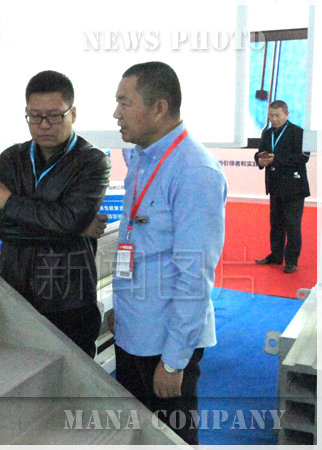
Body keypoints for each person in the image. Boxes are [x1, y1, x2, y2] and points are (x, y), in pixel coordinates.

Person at [106, 61, 227, 445]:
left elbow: (195, 275)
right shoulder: (142, 160)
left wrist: (174, 361)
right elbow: (139, 246)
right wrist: (122, 311)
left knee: (172, 438)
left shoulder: (194, 171)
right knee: (139, 434)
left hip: (165, 344)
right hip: (134, 330)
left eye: (124, 102)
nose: (116, 113)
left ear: (159, 107)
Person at [0, 70, 111, 357]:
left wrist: (9, 202)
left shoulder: (92, 161)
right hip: (15, 289)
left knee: (74, 374)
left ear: (73, 114)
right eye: (35, 117)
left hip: (69, 296)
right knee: (18, 371)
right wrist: (73, 227)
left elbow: (69, 219)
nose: (44, 125)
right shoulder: (12, 158)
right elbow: (4, 228)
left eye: (54, 116)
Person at [254, 100, 309, 274]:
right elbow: (259, 152)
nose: (274, 119)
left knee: (292, 225)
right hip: (275, 185)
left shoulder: (299, 132)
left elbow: (303, 157)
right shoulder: (267, 132)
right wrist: (260, 159)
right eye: (271, 116)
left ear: (286, 114)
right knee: (276, 223)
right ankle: (276, 255)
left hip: (294, 187)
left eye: (277, 115)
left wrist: (275, 159)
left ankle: (291, 260)